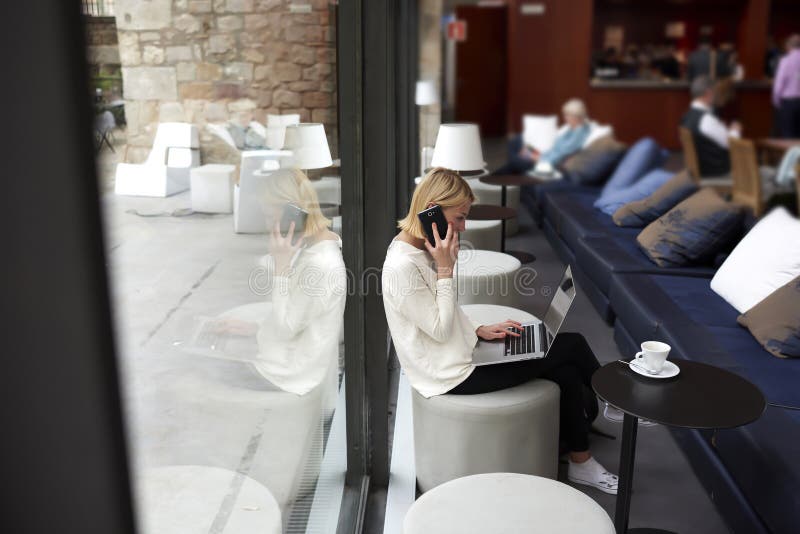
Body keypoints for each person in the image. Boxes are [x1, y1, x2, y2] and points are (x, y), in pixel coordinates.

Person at [381, 168, 619, 494]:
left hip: (458, 353)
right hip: (449, 375)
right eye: (460, 217)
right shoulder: (402, 266)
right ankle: (618, 400)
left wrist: (478, 329)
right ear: (433, 207)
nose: (463, 227)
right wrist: (446, 269)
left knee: (562, 369)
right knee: (572, 346)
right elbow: (437, 328)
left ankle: (582, 462)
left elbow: (435, 312)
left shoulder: (421, 250)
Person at [493, 99, 591, 176]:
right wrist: (535, 153)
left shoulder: (579, 134)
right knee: (517, 143)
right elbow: (556, 148)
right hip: (545, 156)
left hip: (548, 164)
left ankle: (493, 178)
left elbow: (561, 154)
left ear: (576, 116)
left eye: (567, 115)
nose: (565, 118)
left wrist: (538, 158)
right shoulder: (572, 129)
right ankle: (494, 177)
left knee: (515, 161)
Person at [680, 75, 741, 177]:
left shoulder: (686, 117)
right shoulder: (706, 119)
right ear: (708, 93)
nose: (717, 95)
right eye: (716, 92)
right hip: (720, 172)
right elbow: (733, 144)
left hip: (702, 170)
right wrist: (736, 130)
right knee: (766, 175)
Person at [773, 34, 800, 138]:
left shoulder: (785, 61)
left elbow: (779, 84)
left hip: (788, 101)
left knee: (787, 134)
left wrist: (776, 101)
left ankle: (791, 154)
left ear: (788, 46)